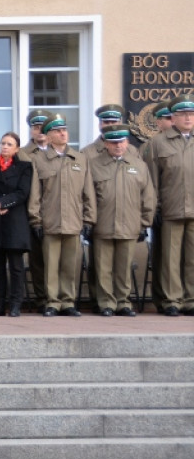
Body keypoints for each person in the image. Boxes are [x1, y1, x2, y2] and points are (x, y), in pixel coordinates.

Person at [27, 116, 96, 317]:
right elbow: (35, 194)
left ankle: (68, 302)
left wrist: (89, 219)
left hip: (73, 221)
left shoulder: (80, 159)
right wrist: (35, 220)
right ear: (48, 136)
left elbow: (88, 192)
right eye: (57, 131)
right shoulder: (39, 160)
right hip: (50, 221)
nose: (63, 133)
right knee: (50, 266)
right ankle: (52, 302)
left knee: (69, 265)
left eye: (64, 130)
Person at [90, 123, 155, 317]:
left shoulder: (139, 165)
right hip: (103, 224)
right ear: (106, 143)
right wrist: (88, 222)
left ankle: (123, 302)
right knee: (103, 268)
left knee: (124, 267)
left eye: (122, 141)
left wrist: (144, 223)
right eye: (113, 142)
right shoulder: (93, 165)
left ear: (127, 142)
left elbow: (148, 197)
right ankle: (106, 303)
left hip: (130, 224)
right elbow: (87, 196)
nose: (118, 145)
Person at [143, 94, 194, 316]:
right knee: (170, 259)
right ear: (173, 118)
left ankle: (190, 299)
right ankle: (172, 300)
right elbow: (151, 180)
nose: (188, 118)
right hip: (170, 208)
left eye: (191, 114)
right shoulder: (158, 143)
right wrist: (154, 208)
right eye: (183, 114)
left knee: (192, 258)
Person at [0, 131, 33, 317]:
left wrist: (2, 203)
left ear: (17, 148)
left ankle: (16, 304)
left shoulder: (24, 167)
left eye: (9, 144)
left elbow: (22, 192)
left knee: (16, 267)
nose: (4, 147)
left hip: (14, 221)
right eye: (3, 143)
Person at [19, 109, 53, 310]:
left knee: (56, 260)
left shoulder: (59, 152)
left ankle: (57, 299)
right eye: (35, 127)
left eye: (43, 127)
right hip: (31, 214)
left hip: (55, 213)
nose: (39, 130)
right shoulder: (23, 154)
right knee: (38, 260)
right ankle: (41, 298)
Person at [142, 100, 173, 313]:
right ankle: (165, 299)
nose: (172, 122)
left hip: (185, 208)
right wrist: (154, 208)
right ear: (158, 122)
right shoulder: (151, 146)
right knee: (164, 257)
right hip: (164, 209)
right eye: (167, 118)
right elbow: (150, 182)